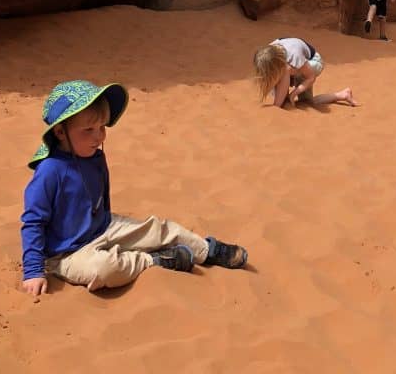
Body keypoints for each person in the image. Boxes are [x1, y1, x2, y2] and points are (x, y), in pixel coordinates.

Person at [21, 81, 248, 295]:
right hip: (66, 254)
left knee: (159, 229)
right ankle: (155, 260)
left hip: (103, 227)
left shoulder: (95, 157)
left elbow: (102, 198)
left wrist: (112, 227)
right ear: (60, 132)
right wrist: (33, 272)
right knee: (104, 269)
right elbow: (33, 221)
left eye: (102, 127)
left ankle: (206, 250)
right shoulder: (50, 171)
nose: (99, 136)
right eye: (88, 130)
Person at [252, 38, 357, 108]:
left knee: (305, 102)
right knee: (305, 101)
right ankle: (343, 95)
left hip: (313, 63)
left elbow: (311, 78)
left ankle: (278, 106)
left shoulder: (294, 56)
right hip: (293, 65)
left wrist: (294, 93)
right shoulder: (268, 52)